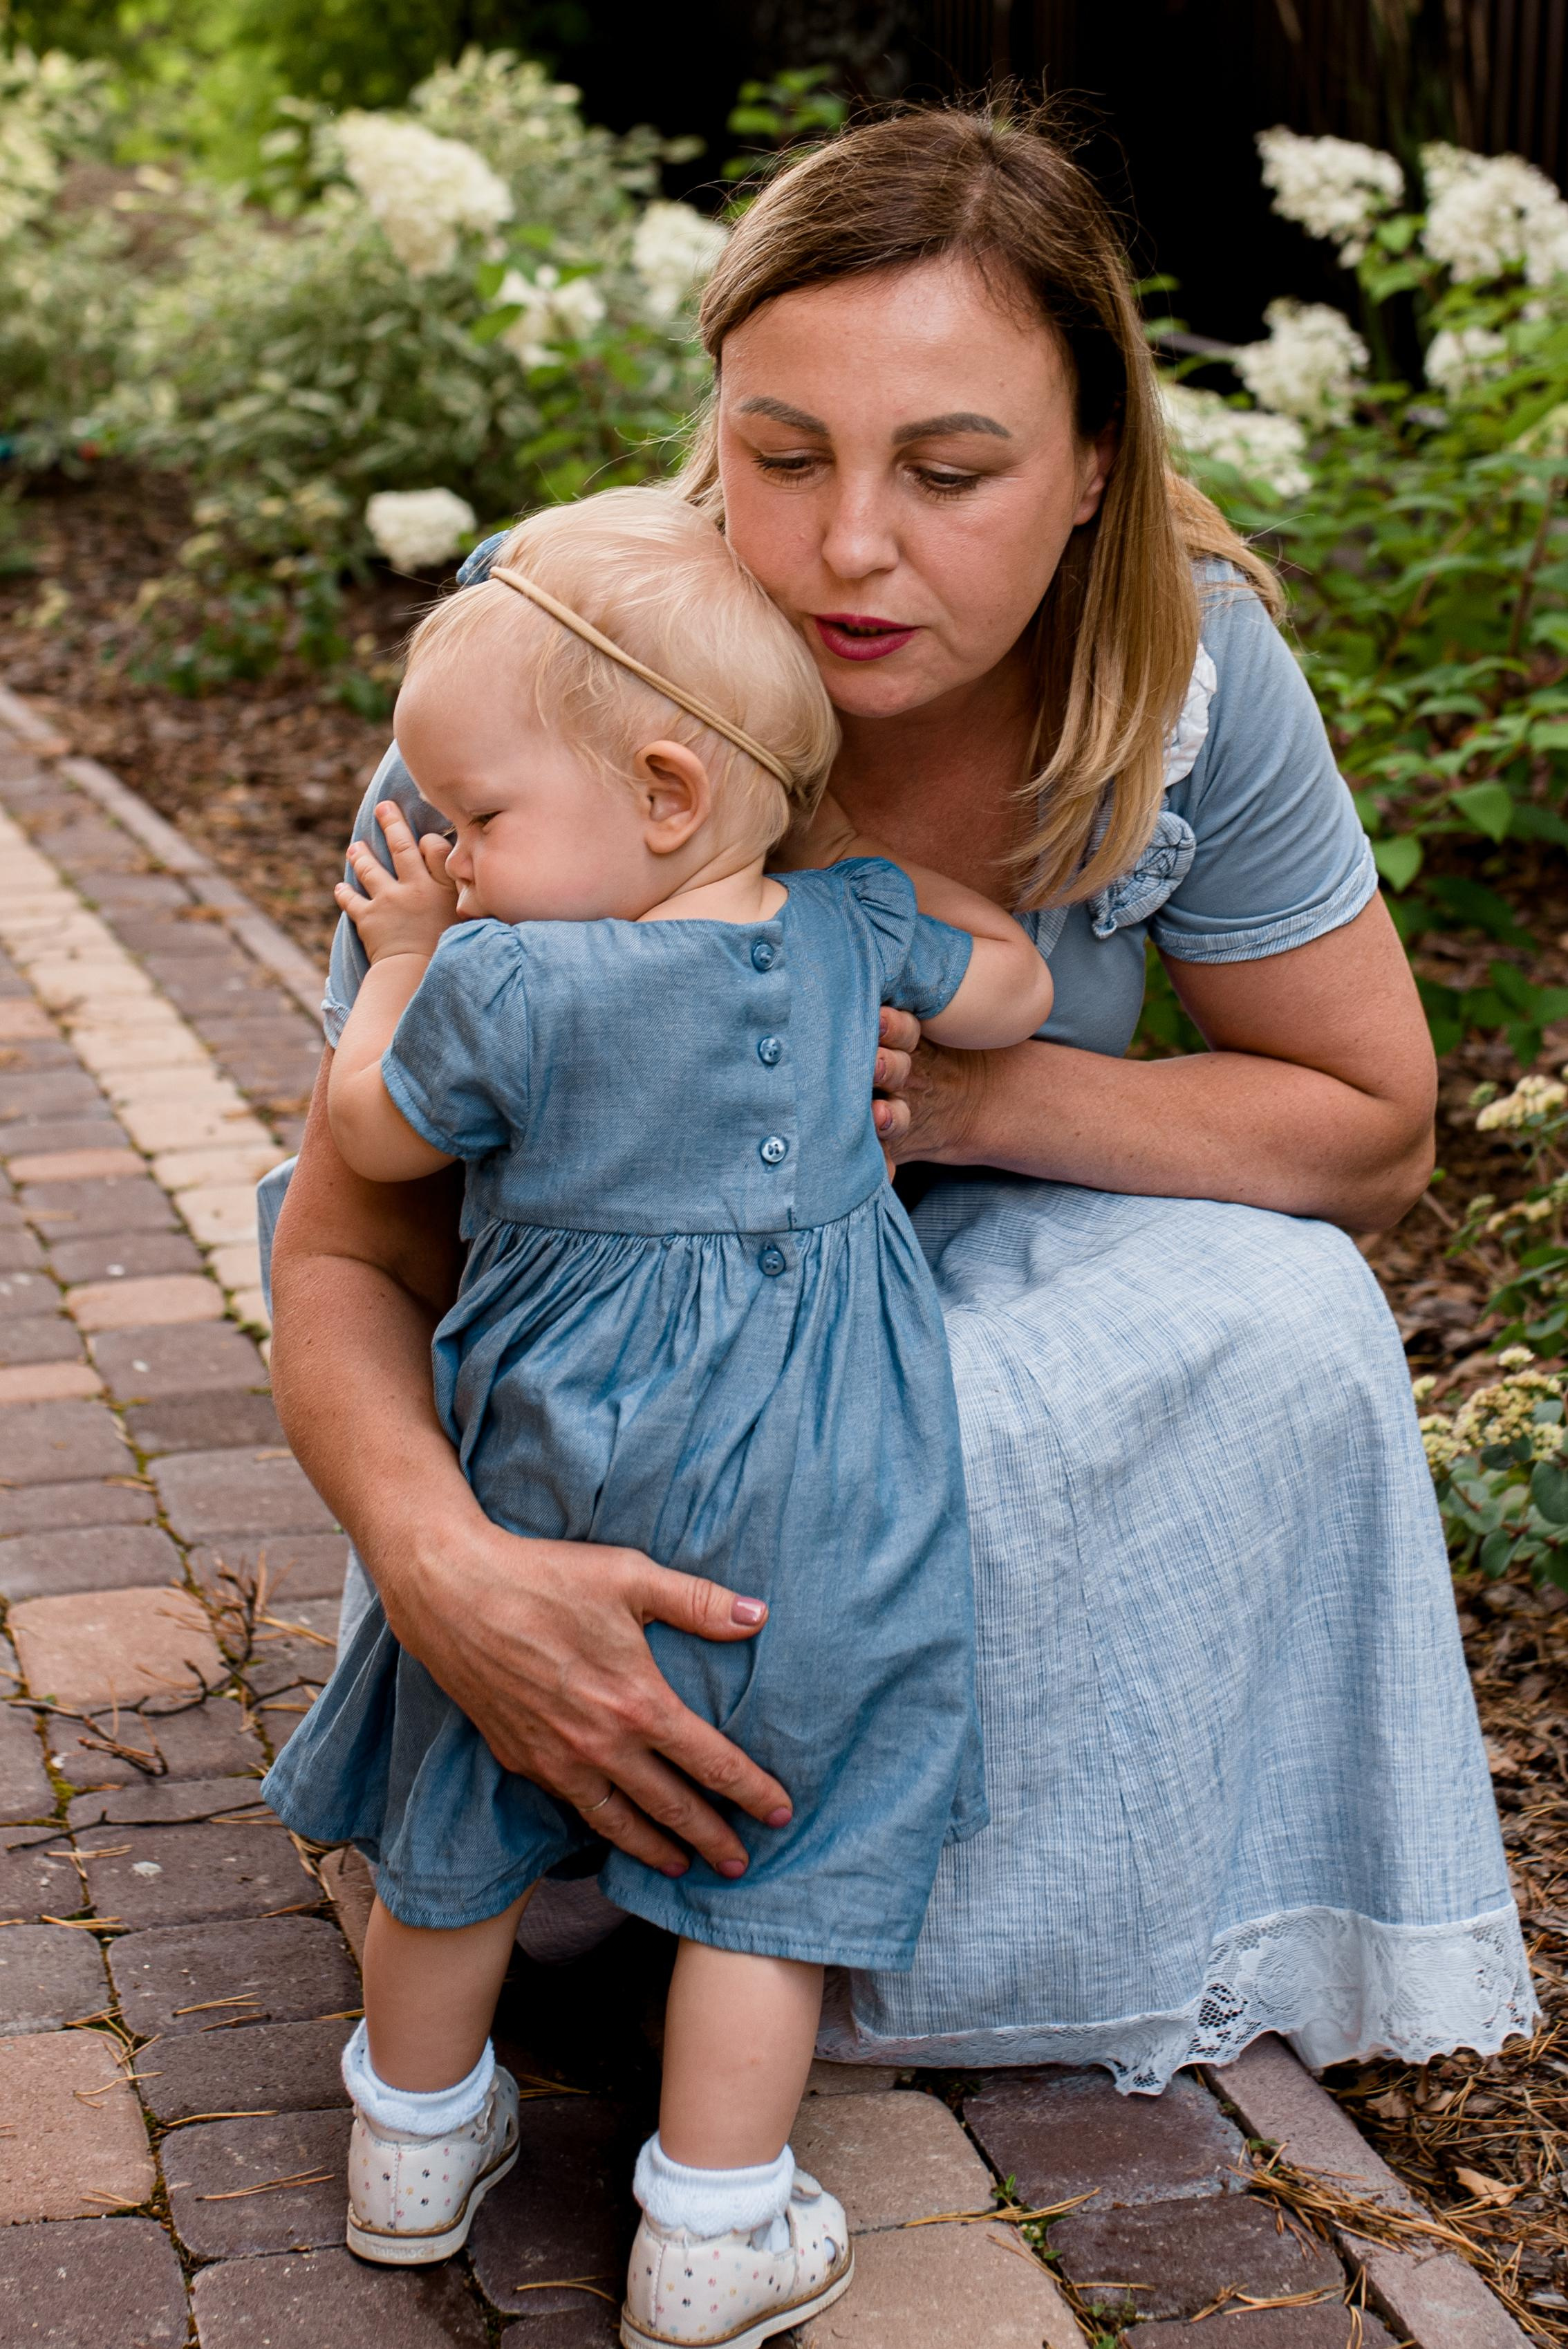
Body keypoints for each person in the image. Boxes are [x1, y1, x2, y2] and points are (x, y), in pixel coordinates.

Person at [264, 103, 1534, 2105]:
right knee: (619, 1548)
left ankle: (896, 1934)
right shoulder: (562, 667)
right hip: (601, 1376)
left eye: (949, 471)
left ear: (1094, 464)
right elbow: (347, 1233)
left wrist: (952, 1100)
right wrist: (446, 1573)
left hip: (958, 1330)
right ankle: (626, 1830)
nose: (849, 544)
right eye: (779, 456)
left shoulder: (1186, 671)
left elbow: (1367, 1130)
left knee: (1282, 1332)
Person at [262, 488, 1053, 2339]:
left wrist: (397, 969)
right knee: (772, 1831)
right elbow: (1008, 985)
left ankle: (409, 2140)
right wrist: (902, 932)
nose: (447, 852)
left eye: (476, 817)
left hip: (556, 1446)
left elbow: (368, 1141)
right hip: (823, 1482)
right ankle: (709, 2225)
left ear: (665, 794)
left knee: (470, 1759)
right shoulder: (852, 926)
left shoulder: (511, 979)